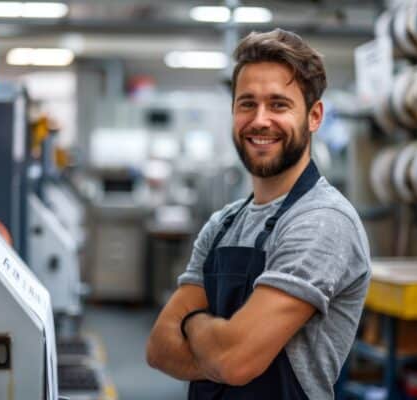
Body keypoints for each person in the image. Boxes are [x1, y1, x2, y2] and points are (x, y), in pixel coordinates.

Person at [146, 28, 371, 399]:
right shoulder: (222, 224)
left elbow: (236, 361)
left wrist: (194, 323)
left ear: (314, 116)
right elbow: (159, 348)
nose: (260, 120)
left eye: (279, 104)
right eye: (247, 103)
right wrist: (220, 350)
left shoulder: (322, 221)